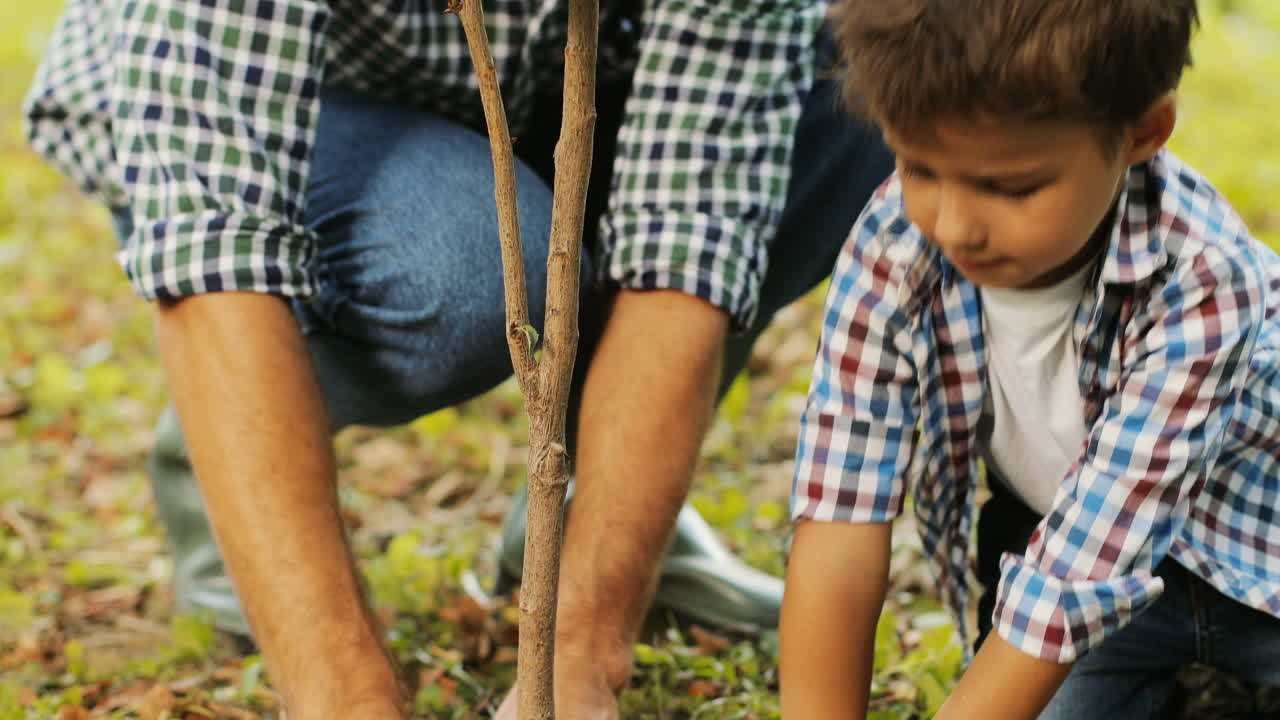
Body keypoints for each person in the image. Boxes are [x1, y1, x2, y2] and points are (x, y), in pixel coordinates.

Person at [23, 0, 893, 716]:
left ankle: (589, 516)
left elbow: (689, 240)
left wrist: (576, 665)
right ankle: (229, 448)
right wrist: (345, 699)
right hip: (304, 111)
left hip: (547, 88)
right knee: (468, 267)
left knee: (863, 84)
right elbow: (216, 249)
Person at [781, 1, 1280, 718]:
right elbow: (840, 510)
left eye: (1010, 188)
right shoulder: (895, 241)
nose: (954, 225)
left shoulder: (1205, 279)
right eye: (919, 167)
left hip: (1259, 571)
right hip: (1096, 603)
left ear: (1143, 130)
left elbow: (1082, 570)